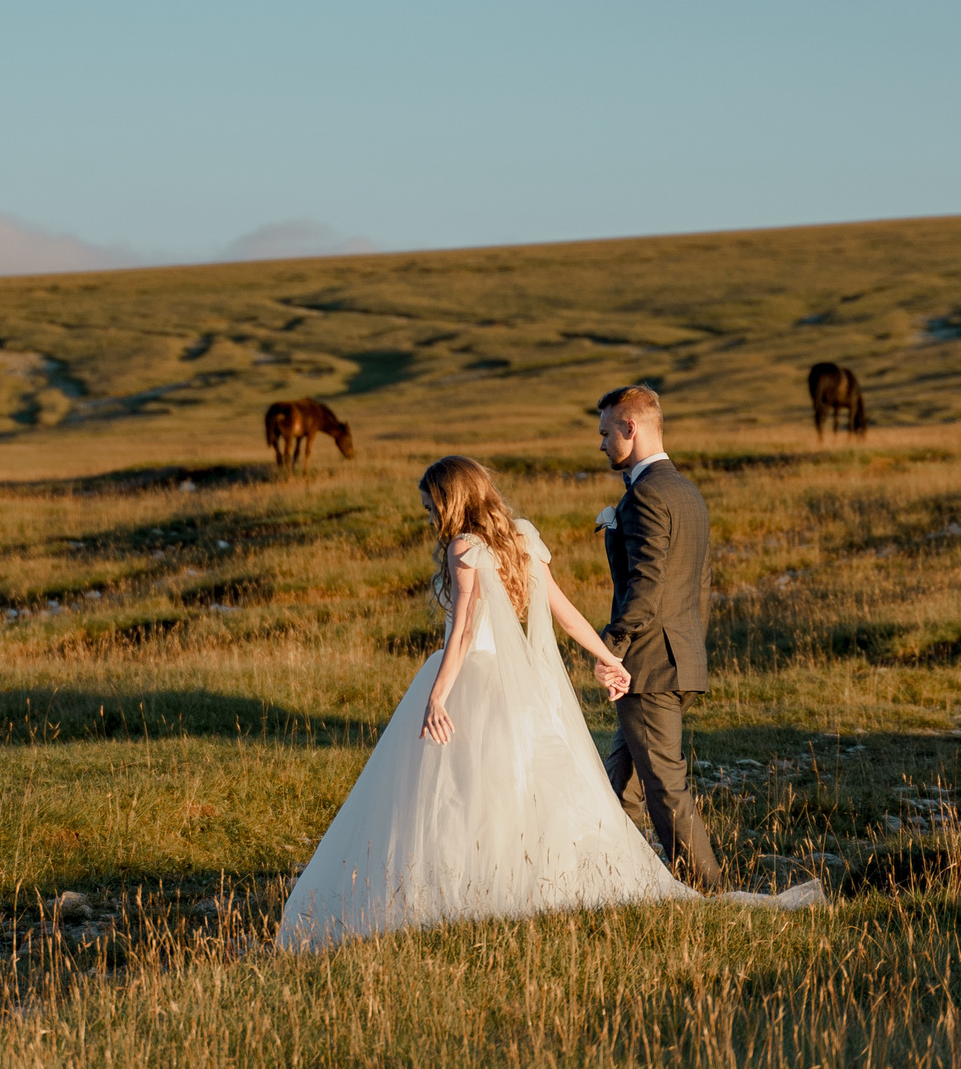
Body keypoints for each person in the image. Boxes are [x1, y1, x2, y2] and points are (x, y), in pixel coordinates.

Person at [276, 456, 693, 949]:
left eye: (432, 505)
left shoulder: (464, 548)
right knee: (519, 785)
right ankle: (533, 884)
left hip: (472, 678)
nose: (430, 516)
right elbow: (566, 613)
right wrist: (607, 658)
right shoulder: (521, 537)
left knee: (451, 793)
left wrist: (436, 697)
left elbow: (465, 634)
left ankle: (462, 893)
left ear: (451, 500)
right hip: (520, 689)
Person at [594, 384, 723, 889]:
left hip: (649, 666)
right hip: (679, 660)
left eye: (607, 433)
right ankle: (619, 882)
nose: (601, 444)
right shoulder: (687, 491)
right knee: (618, 785)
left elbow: (647, 585)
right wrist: (690, 652)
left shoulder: (646, 494)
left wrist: (612, 649)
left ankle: (708, 895)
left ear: (631, 427)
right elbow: (700, 585)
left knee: (666, 790)